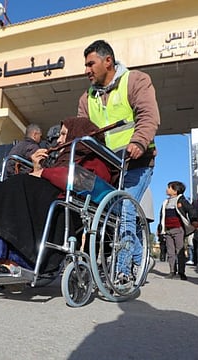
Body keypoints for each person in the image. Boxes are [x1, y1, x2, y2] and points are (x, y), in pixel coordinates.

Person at [0, 116, 113, 273]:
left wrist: (43, 172)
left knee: (19, 184)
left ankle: (17, 259)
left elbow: (80, 182)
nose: (59, 140)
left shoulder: (96, 159)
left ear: (76, 134)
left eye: (63, 134)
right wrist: (37, 167)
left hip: (68, 206)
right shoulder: (63, 158)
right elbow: (42, 178)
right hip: (46, 198)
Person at [77, 39, 160, 283]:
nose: (86, 70)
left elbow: (148, 115)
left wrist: (139, 141)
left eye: (90, 64)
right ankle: (141, 255)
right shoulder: (86, 98)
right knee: (108, 215)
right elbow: (84, 132)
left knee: (125, 209)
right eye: (85, 65)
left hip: (137, 161)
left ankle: (122, 272)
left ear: (108, 61)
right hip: (109, 166)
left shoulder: (135, 81)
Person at [157, 181, 198, 280]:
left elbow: (191, 209)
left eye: (169, 188)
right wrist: (160, 229)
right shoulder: (165, 203)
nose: (167, 189)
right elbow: (162, 217)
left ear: (175, 191)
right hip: (168, 230)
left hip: (178, 230)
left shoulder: (181, 201)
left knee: (179, 250)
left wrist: (194, 220)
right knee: (170, 252)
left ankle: (181, 272)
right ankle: (172, 271)